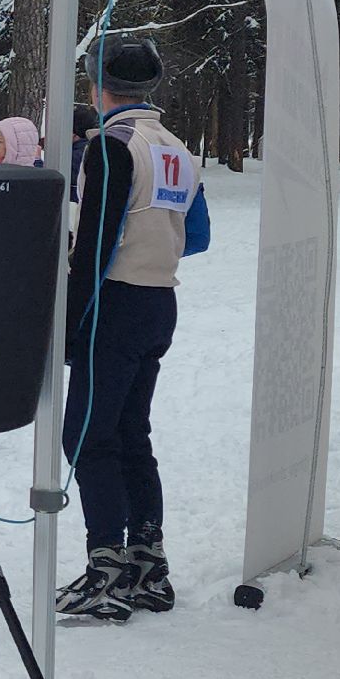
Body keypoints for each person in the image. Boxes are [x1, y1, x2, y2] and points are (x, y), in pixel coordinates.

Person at [58, 35, 211, 622]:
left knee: (87, 436)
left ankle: (106, 570)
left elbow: (95, 243)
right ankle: (148, 562)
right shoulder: (177, 148)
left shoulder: (111, 146)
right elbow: (196, 236)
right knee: (129, 431)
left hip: (114, 302)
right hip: (157, 301)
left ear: (98, 87)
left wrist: (69, 321)